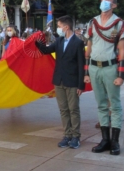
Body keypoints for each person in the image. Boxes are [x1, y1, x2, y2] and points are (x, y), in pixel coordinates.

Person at [84, 0, 124, 155]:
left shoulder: (118, 23)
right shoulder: (92, 22)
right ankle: (105, 140)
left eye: (108, 0)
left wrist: (121, 75)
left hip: (110, 68)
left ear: (114, 5)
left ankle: (115, 142)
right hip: (94, 68)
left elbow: (122, 50)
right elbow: (89, 47)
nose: (105, 2)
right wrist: (86, 72)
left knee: (114, 105)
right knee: (101, 105)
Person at [36, 15, 85, 149]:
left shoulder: (78, 42)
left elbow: (81, 64)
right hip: (59, 80)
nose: (58, 29)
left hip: (72, 81)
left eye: (59, 26)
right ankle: (67, 135)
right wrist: (36, 42)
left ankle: (76, 136)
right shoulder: (59, 41)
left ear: (66, 27)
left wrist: (81, 84)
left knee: (73, 109)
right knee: (63, 110)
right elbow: (46, 50)